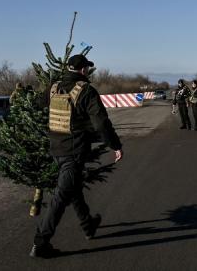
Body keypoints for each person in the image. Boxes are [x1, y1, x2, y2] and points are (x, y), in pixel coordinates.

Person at [30, 54, 124, 259]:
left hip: (55, 149)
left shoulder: (53, 88)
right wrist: (115, 145)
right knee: (61, 196)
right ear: (83, 70)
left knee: (72, 189)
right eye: (87, 68)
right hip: (74, 151)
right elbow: (101, 122)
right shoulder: (86, 91)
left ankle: (88, 225)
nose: (88, 71)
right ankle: (41, 243)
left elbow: (37, 104)